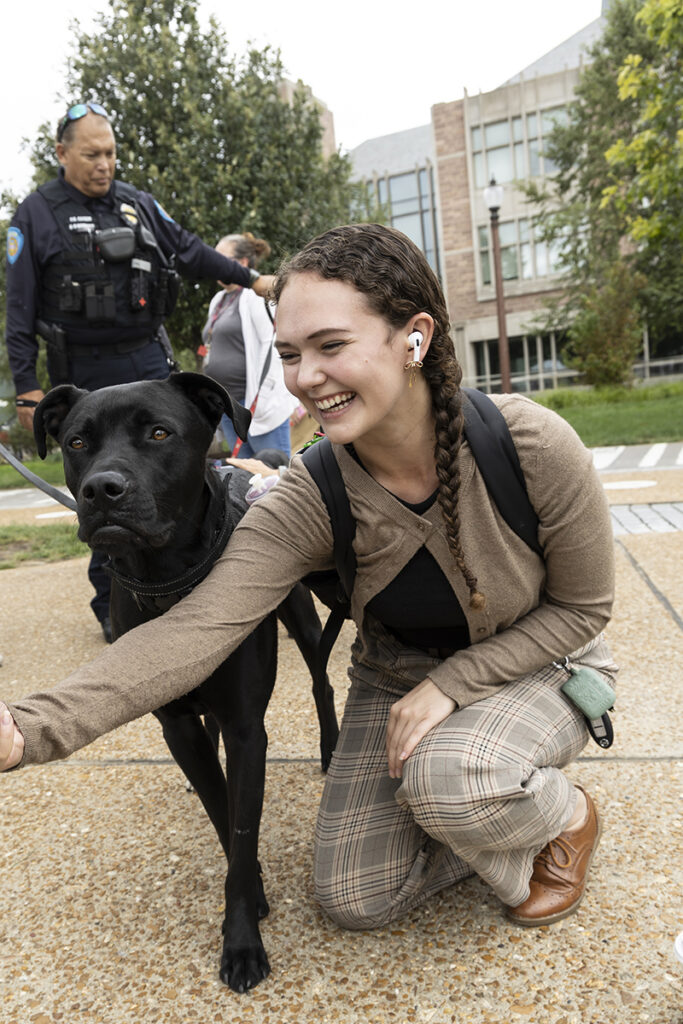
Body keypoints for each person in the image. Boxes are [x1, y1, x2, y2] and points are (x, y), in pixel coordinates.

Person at [0, 223, 618, 933]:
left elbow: (579, 609)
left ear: (413, 337)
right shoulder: (308, 493)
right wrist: (25, 728)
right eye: (290, 354)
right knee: (356, 898)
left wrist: (450, 687)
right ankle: (469, 804)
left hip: (535, 663)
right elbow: (198, 629)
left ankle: (562, 815)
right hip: (397, 675)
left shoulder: (529, 443)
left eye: (331, 346)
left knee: (450, 780)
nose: (306, 377)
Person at [5, 100, 274, 642]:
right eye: (91, 154)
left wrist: (252, 280)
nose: (104, 164)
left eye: (110, 153)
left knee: (173, 479)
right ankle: (116, 609)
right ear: (62, 154)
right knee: (105, 486)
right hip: (81, 372)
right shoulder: (36, 213)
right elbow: (20, 307)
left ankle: (200, 589)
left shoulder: (138, 205)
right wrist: (29, 389)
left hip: (148, 363)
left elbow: (193, 253)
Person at [201, 232, 298, 457]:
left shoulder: (255, 296)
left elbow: (273, 346)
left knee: (271, 473)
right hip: (229, 406)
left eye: (221, 259)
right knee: (243, 477)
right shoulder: (218, 300)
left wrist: (268, 400)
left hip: (256, 406)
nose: (215, 265)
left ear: (242, 263)